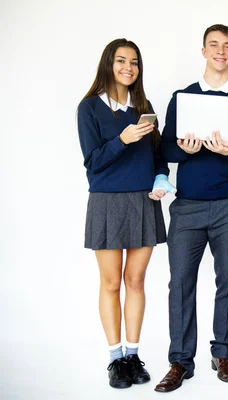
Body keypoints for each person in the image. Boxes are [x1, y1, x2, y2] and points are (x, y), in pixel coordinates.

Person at [154, 24, 228, 392]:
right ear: (203, 51)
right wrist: (182, 150)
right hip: (187, 207)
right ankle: (180, 362)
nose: (220, 51)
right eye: (214, 45)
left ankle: (223, 354)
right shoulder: (182, 98)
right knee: (180, 284)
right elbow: (165, 150)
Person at [77, 38, 174, 389]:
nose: (128, 68)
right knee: (110, 283)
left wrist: (162, 178)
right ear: (108, 64)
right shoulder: (88, 108)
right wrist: (124, 139)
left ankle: (133, 355)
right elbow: (93, 162)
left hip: (144, 200)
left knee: (136, 281)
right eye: (121, 61)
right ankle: (115, 360)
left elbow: (158, 156)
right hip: (106, 201)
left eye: (134, 62)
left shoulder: (143, 107)